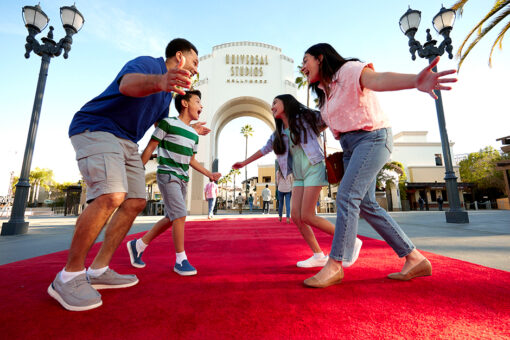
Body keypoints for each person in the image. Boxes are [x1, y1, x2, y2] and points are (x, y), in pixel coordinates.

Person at [48, 38, 210, 311]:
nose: (196, 70)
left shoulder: (166, 97)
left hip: (126, 141)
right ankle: (69, 276)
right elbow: (127, 85)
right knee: (112, 195)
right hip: (97, 127)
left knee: (135, 201)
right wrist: (160, 81)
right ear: (179, 57)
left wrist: (191, 125)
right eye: (195, 63)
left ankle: (99, 270)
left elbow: (164, 126)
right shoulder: (149, 64)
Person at [300, 43, 456, 288]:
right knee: (366, 203)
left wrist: (416, 80)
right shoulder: (326, 93)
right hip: (351, 147)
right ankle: (414, 259)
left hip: (372, 138)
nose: (303, 66)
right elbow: (322, 122)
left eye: (306, 60)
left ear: (320, 57)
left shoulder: (349, 70)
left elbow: (379, 79)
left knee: (347, 196)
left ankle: (335, 264)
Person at [233, 94, 362, 269]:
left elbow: (326, 117)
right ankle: (318, 255)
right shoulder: (278, 134)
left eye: (275, 102)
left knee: (308, 215)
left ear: (286, 103)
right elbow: (264, 150)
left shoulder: (305, 119)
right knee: (296, 216)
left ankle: (351, 240)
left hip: (314, 168)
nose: (272, 107)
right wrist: (244, 162)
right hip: (299, 175)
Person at [127, 90, 221, 276]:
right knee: (180, 214)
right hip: (167, 175)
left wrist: (209, 174)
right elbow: (151, 147)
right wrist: (137, 172)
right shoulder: (167, 123)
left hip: (183, 178)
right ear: (185, 103)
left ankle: (138, 245)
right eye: (197, 101)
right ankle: (181, 259)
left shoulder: (194, 136)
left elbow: (191, 160)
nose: (201, 106)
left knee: (172, 217)